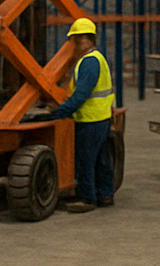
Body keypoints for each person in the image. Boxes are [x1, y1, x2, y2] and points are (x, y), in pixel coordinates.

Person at [45, 18, 116, 213]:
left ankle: (87, 199)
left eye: (76, 39)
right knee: (102, 160)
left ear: (86, 39)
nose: (74, 44)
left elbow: (80, 96)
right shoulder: (98, 58)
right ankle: (105, 195)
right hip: (100, 118)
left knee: (85, 160)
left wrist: (57, 114)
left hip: (90, 120)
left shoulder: (89, 62)